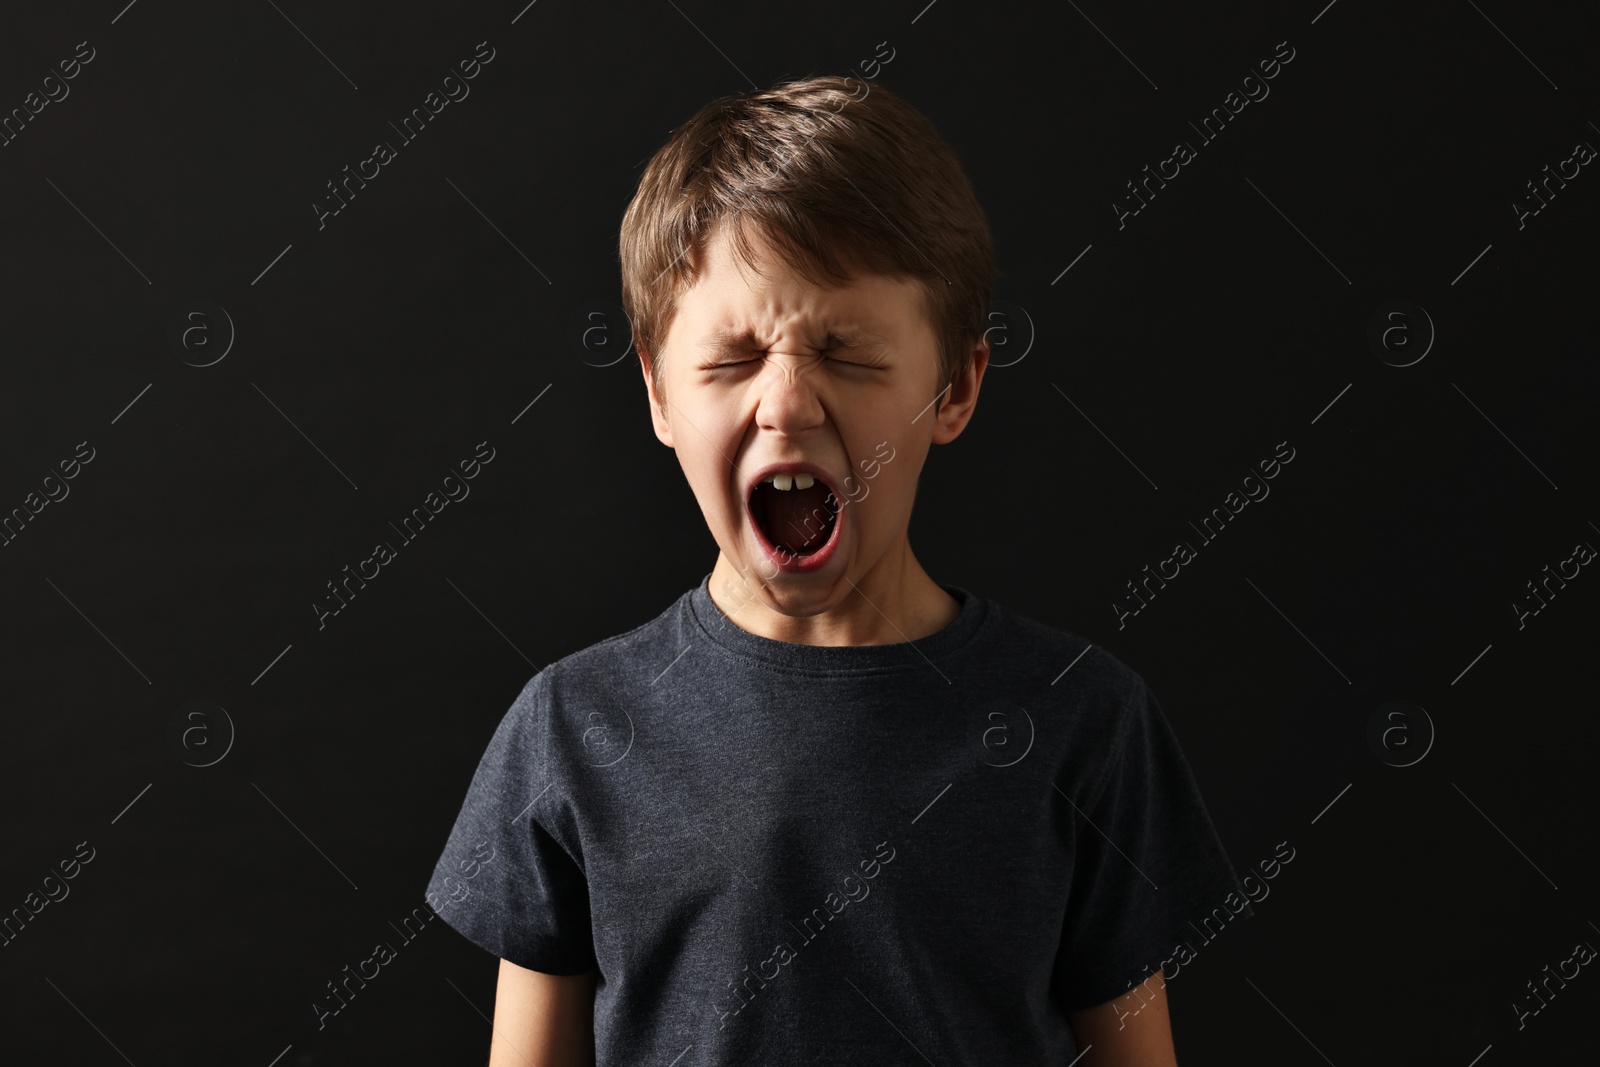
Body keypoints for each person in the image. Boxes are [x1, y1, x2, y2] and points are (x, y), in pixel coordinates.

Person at [425, 73, 1251, 1065]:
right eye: (732, 360)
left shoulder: (1084, 723)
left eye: (848, 355)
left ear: (953, 387)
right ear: (655, 392)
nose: (786, 404)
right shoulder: (569, 728)